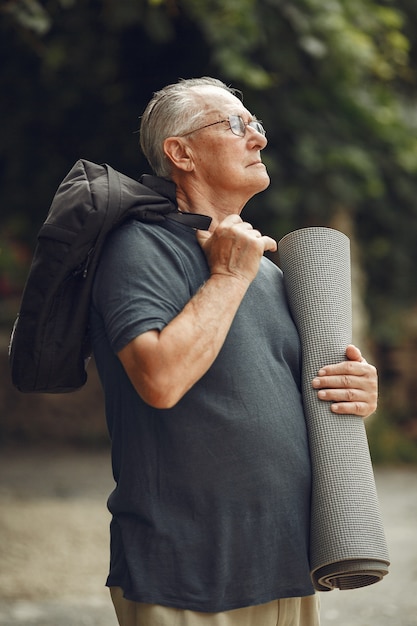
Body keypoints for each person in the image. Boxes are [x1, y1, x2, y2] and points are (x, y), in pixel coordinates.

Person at [90, 77, 378, 626]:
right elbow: (160, 379)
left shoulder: (269, 272)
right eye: (237, 125)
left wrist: (357, 392)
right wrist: (227, 275)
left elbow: (285, 396)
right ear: (181, 153)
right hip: (184, 572)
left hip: (285, 566)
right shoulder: (138, 246)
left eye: (257, 126)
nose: (258, 139)